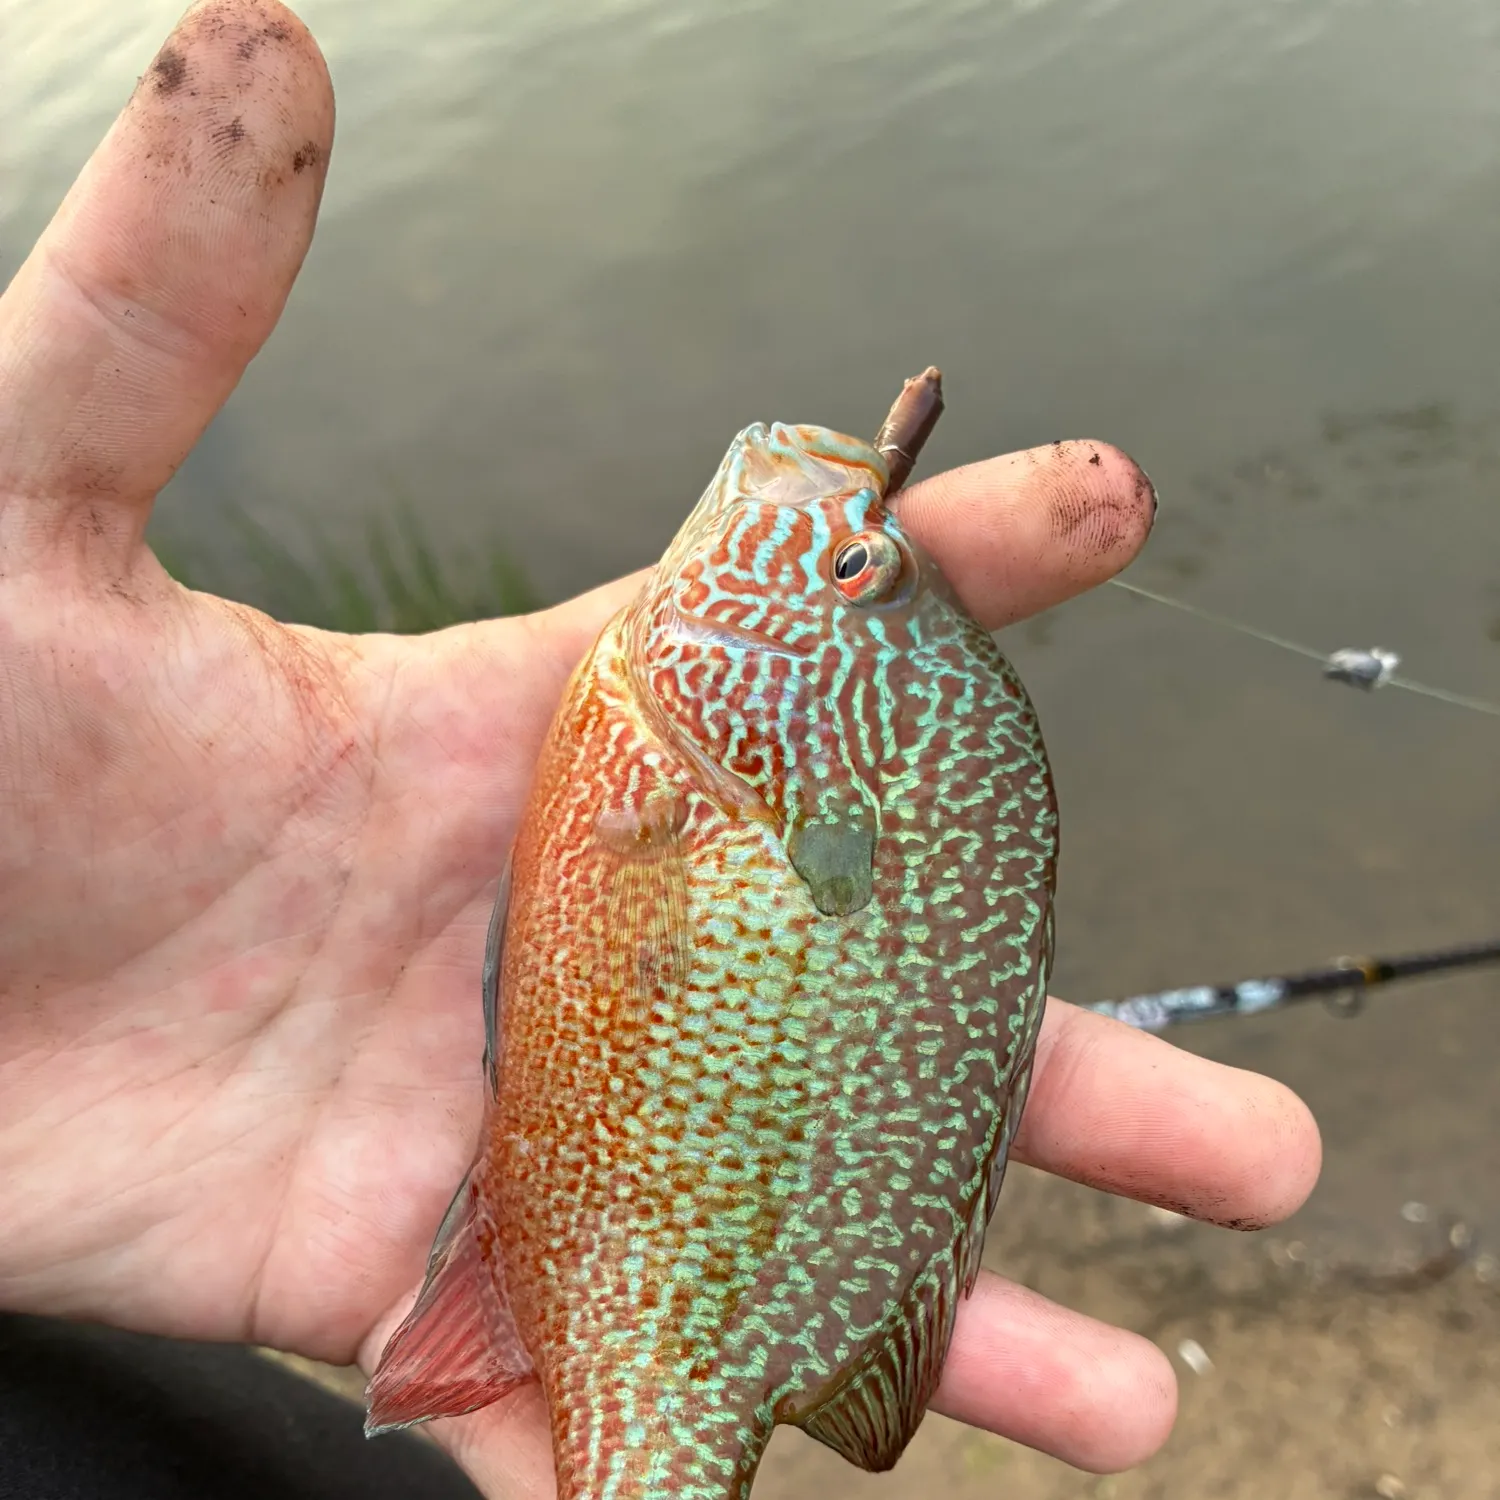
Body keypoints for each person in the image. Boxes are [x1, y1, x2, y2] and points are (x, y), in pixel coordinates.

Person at [0, 2, 1321, 1496]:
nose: (822, 518)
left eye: (843, 575)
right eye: (853, 568)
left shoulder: (712, 757)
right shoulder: (706, 759)